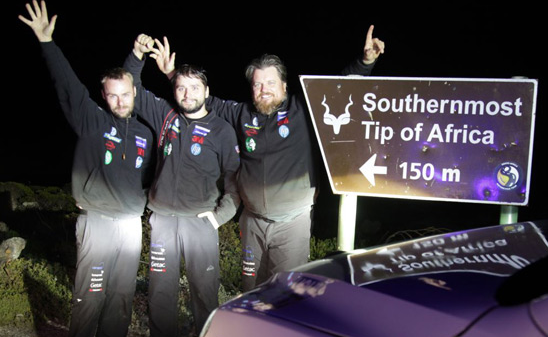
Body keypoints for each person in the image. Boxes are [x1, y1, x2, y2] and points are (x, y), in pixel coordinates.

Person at [152, 26, 385, 291]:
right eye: (257, 84)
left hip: (291, 223)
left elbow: (336, 89)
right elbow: (197, 98)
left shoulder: (302, 109)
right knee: (251, 290)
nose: (264, 89)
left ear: (284, 85)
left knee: (285, 293)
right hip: (252, 222)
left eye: (271, 83)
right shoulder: (240, 114)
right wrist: (172, 75)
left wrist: (365, 62)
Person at [18, 0, 155, 337]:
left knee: (120, 297)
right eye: (111, 95)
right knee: (90, 295)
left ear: (134, 91)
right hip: (96, 222)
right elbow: (67, 85)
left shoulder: (146, 134)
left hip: (130, 225)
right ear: (104, 96)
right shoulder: (93, 121)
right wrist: (47, 42)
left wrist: (135, 58)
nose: (119, 101)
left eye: (124, 94)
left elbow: (154, 177)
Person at [125, 34, 240, 337]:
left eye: (194, 88)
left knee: (205, 291)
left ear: (207, 91)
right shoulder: (165, 116)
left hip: (200, 223)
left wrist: (218, 218)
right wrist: (136, 55)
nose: (187, 94)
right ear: (174, 91)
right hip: (162, 219)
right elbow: (130, 86)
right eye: (181, 88)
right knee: (161, 289)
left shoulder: (222, 130)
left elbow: (235, 181)